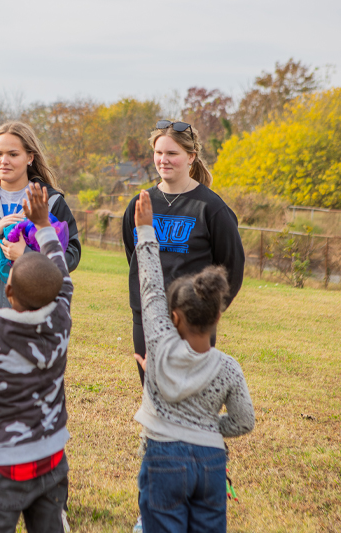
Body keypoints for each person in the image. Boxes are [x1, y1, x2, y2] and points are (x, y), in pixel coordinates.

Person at [131, 189, 255, 532]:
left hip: (163, 459)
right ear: (218, 316)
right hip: (211, 463)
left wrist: (144, 232)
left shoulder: (156, 344)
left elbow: (152, 287)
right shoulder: (229, 367)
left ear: (173, 317)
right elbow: (244, 422)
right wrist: (205, 427)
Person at [0, 183, 72, 533]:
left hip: (4, 465)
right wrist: (42, 224)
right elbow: (61, 273)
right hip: (53, 460)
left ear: (7, 291)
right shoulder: (61, 320)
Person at [122, 120, 245, 387]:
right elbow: (135, 255)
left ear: (191, 157)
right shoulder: (140, 203)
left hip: (193, 319)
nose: (163, 160)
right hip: (147, 316)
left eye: (172, 153)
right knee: (152, 391)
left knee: (189, 393)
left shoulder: (211, 208)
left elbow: (232, 266)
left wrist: (209, 312)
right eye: (158, 153)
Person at [0, 121, 81, 344]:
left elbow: (71, 258)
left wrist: (27, 255)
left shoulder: (51, 200)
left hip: (35, 314)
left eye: (13, 154)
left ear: (30, 157)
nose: (3, 161)